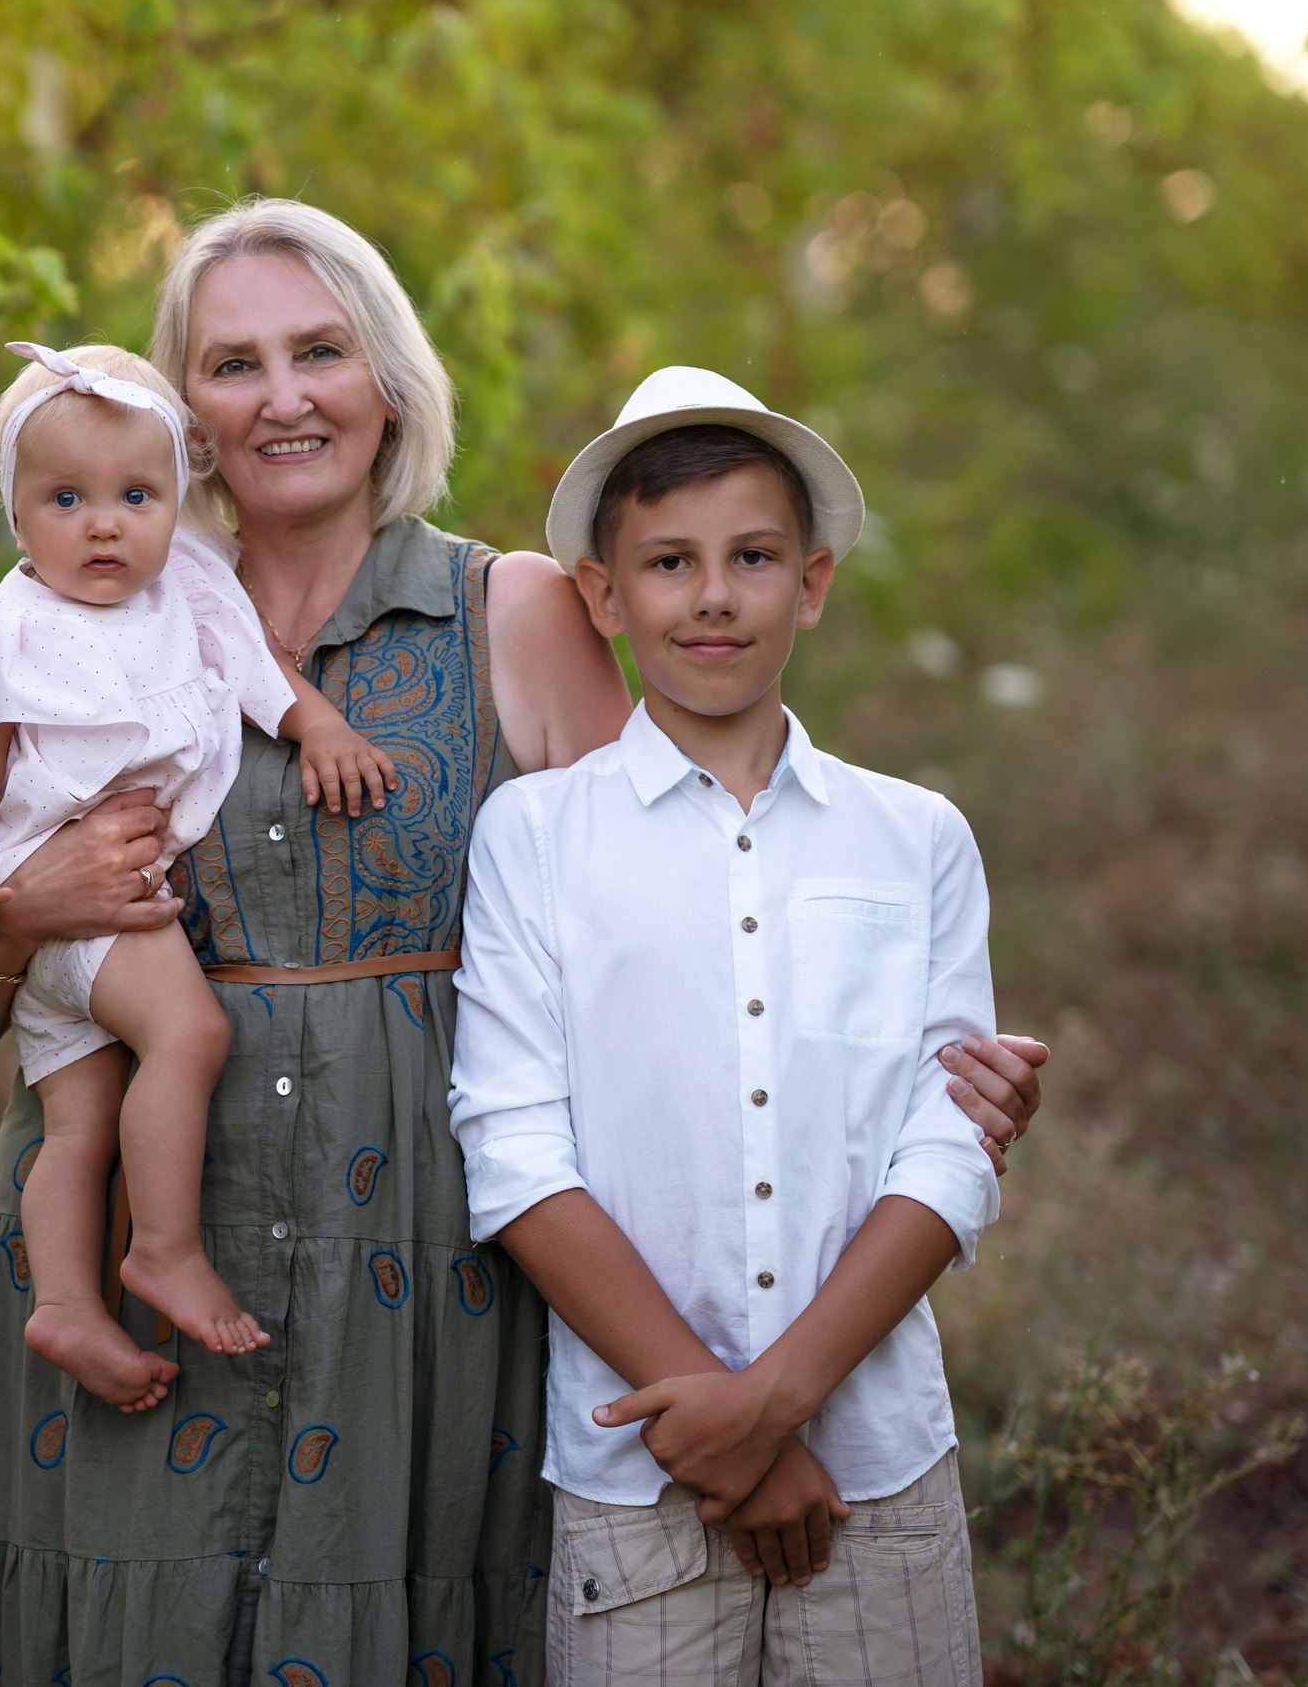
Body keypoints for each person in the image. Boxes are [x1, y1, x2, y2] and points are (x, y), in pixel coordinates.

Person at [0, 200, 1048, 1687]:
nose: (286, 394)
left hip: (427, 1265)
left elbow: (680, 906)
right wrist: (27, 908)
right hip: (132, 1242)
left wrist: (914, 1068)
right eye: (233, 363)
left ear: (388, 378)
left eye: (321, 349)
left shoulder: (504, 607)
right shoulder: (79, 617)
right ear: (178, 412)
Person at [450, 366, 1005, 1683]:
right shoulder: (535, 836)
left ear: (810, 584)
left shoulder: (913, 835)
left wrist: (771, 1402)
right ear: (605, 597)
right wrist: (719, 1424)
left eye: (752, 556)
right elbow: (517, 1151)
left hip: (878, 1460)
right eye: (668, 561)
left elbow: (950, 1143)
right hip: (638, 1465)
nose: (711, 594)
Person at [0, 341, 400, 1410]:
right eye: (66, 498)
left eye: (135, 496)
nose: (105, 524)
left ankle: (65, 1306)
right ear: (15, 518)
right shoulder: (2, 633)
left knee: (81, 1125)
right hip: (64, 900)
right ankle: (162, 1248)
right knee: (189, 1036)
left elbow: (257, 670)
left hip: (68, 940)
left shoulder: (182, 589)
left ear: (177, 501)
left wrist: (317, 723)